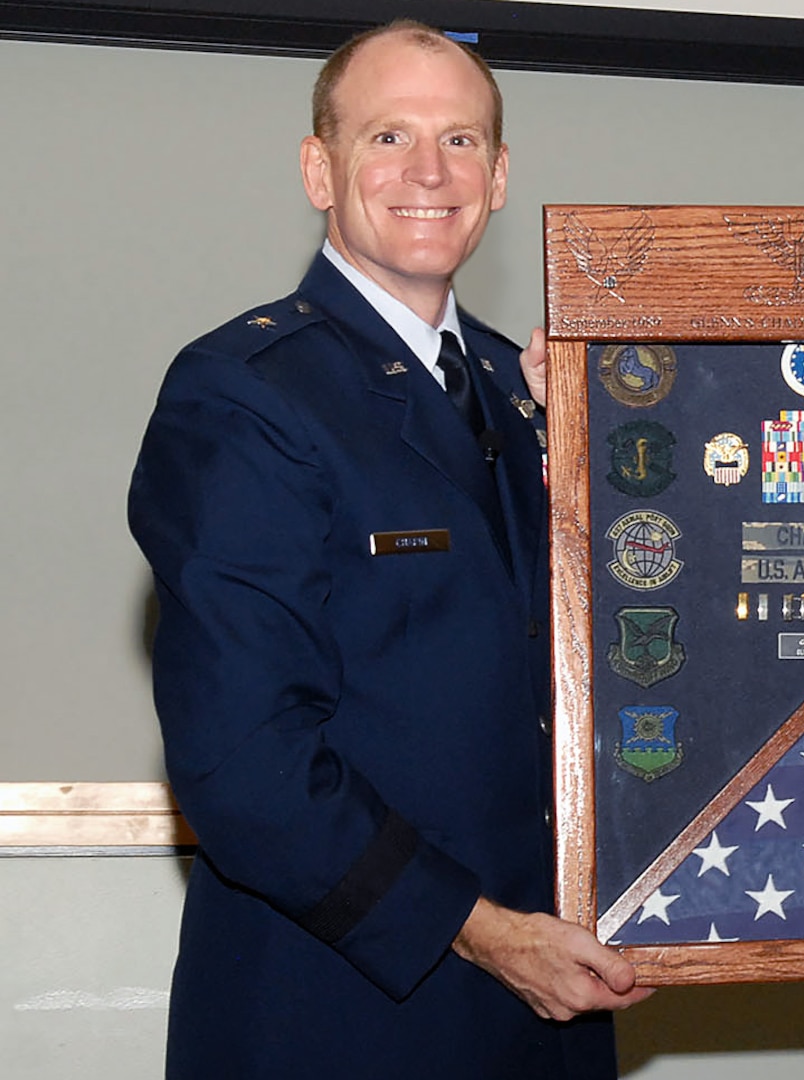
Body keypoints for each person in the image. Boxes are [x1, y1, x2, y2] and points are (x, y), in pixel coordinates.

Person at [128, 20, 649, 1078]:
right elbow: (245, 761)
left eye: (461, 141)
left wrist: (630, 451)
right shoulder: (245, 394)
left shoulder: (533, 391)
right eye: (386, 138)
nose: (428, 171)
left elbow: (632, 654)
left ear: (499, 178)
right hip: (343, 1012)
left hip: (548, 1008)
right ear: (319, 169)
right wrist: (483, 931)